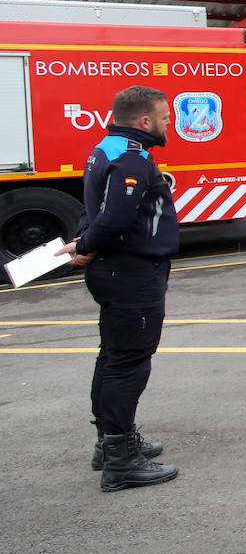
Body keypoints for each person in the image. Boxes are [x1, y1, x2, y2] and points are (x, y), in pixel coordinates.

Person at [58, 86, 179, 492]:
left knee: (112, 357)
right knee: (128, 363)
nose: (168, 125)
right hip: (131, 275)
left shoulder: (104, 150)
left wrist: (83, 241)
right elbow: (112, 220)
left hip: (117, 273)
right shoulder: (131, 160)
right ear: (145, 121)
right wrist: (86, 246)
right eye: (164, 118)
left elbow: (92, 209)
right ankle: (120, 461)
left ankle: (109, 444)